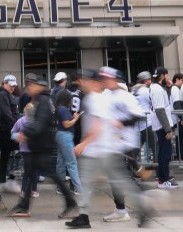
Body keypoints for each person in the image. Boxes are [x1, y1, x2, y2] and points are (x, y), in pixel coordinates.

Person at [66, 69, 154, 230]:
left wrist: (82, 144)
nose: (82, 83)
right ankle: (85, 216)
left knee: (117, 181)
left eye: (85, 80)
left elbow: (98, 125)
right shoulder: (103, 97)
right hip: (106, 148)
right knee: (114, 181)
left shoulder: (96, 99)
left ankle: (86, 216)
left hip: (102, 149)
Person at [7, 74, 78, 219]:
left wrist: (24, 133)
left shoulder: (44, 101)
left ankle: (71, 204)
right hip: (37, 145)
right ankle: (24, 206)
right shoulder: (40, 99)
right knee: (31, 173)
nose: (27, 88)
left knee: (51, 175)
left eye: (30, 85)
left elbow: (39, 125)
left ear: (39, 86)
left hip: (42, 145)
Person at [147, 67, 176, 189]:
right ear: (162, 76)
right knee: (165, 153)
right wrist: (168, 129)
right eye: (167, 76)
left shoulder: (157, 88)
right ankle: (163, 180)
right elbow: (160, 110)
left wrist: (169, 86)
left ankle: (162, 179)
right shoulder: (157, 89)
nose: (168, 78)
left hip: (161, 125)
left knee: (164, 153)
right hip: (162, 126)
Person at [55, 88, 82, 197]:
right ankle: (79, 189)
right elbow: (66, 124)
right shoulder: (63, 109)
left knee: (61, 162)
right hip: (65, 136)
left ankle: (60, 188)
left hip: (59, 135)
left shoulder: (59, 108)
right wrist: (75, 118)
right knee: (72, 163)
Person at [0, 75, 20, 191]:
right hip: (7, 129)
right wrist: (16, 127)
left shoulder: (4, 94)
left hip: (6, 128)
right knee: (17, 151)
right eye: (10, 85)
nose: (12, 87)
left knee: (5, 155)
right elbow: (6, 113)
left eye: (14, 86)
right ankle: (10, 179)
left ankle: (4, 181)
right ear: (4, 83)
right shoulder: (2, 95)